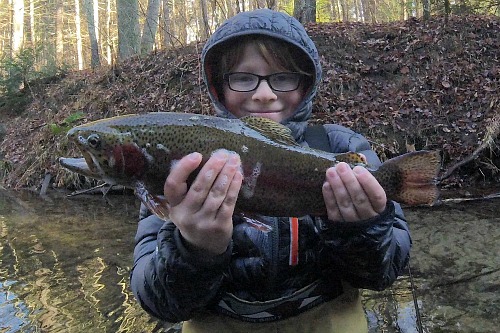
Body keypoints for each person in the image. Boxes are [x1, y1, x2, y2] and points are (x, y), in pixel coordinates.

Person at [130, 8, 411, 333]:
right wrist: (194, 246)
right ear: (219, 86)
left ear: (305, 83)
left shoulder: (338, 147)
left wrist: (361, 230)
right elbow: (159, 303)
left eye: (282, 77)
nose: (264, 95)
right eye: (244, 78)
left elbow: (384, 272)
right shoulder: (179, 168)